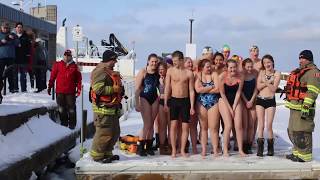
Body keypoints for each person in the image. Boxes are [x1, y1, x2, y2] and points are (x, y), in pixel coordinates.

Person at [89, 50, 124, 163]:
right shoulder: (99, 72)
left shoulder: (109, 71)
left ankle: (107, 152)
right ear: (108, 60)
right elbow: (98, 89)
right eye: (113, 60)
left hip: (112, 108)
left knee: (114, 132)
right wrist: (114, 89)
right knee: (104, 133)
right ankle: (97, 156)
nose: (115, 63)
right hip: (102, 110)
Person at [285, 50, 320, 162]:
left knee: (303, 131)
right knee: (293, 130)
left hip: (305, 108)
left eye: (303, 58)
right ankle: (297, 153)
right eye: (300, 58)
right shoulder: (301, 71)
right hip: (295, 107)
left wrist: (306, 107)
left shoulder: (313, 72)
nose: (300, 60)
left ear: (309, 59)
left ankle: (305, 156)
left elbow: (313, 92)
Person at [164, 50, 195, 158]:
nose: (174, 63)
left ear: (181, 60)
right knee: (173, 126)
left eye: (176, 61)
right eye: (173, 61)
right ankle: (173, 150)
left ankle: (182, 150)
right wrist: (165, 103)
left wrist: (192, 106)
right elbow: (167, 87)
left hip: (185, 101)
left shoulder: (189, 73)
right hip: (174, 100)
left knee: (185, 127)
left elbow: (191, 90)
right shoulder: (170, 71)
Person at [48, 49, 82, 129]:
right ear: (63, 56)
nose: (66, 57)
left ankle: (72, 125)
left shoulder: (75, 66)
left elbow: (79, 79)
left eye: (68, 55)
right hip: (60, 91)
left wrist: (79, 89)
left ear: (71, 56)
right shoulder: (58, 65)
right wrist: (50, 86)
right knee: (61, 109)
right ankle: (64, 124)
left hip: (70, 92)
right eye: (65, 55)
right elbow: (52, 77)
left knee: (71, 109)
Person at [218, 59, 246, 157]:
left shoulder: (241, 76)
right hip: (224, 100)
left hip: (235, 100)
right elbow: (222, 93)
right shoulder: (222, 76)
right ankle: (225, 150)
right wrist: (230, 109)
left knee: (238, 125)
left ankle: (241, 150)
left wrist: (234, 106)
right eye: (230, 67)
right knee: (228, 125)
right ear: (227, 68)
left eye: (234, 67)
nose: (233, 69)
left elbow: (238, 92)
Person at [256, 54, 280, 157]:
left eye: (268, 62)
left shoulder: (277, 73)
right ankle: (260, 149)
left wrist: (265, 82)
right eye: (264, 63)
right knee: (261, 125)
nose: (267, 64)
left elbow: (274, 89)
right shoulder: (261, 72)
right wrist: (268, 81)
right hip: (260, 100)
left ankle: (270, 148)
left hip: (270, 101)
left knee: (269, 125)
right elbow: (258, 87)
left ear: (272, 62)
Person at [135, 53, 159, 156]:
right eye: (152, 61)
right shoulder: (143, 71)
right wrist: (137, 103)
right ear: (148, 61)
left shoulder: (158, 72)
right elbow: (136, 89)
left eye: (155, 61)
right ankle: (140, 147)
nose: (154, 63)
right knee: (147, 124)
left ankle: (149, 147)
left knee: (152, 124)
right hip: (144, 97)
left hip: (155, 98)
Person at [195, 59, 220, 157]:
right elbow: (198, 90)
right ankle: (204, 149)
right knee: (203, 128)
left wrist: (204, 89)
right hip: (201, 103)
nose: (210, 68)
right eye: (207, 66)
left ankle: (215, 149)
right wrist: (211, 87)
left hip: (213, 103)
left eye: (210, 66)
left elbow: (218, 89)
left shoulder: (214, 74)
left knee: (213, 128)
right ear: (202, 67)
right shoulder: (198, 75)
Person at [241, 58, 258, 154]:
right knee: (245, 125)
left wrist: (251, 100)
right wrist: (246, 101)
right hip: (244, 101)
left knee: (252, 124)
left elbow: (256, 89)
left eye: (251, 66)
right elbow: (240, 90)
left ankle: (249, 144)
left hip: (253, 101)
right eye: (248, 66)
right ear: (244, 67)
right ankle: (243, 144)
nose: (250, 68)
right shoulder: (242, 75)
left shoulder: (255, 74)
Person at [0, 22, 19, 103]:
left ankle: (12, 88)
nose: (5, 29)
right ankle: (0, 89)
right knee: (0, 74)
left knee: (11, 74)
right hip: (1, 57)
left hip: (11, 57)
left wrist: (13, 39)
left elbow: (18, 44)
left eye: (7, 28)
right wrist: (2, 42)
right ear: (1, 28)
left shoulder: (13, 35)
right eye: (4, 27)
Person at [157, 61, 171, 155]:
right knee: (162, 126)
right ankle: (162, 146)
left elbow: (169, 92)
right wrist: (160, 83)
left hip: (170, 102)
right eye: (159, 69)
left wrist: (163, 83)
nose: (161, 71)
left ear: (166, 70)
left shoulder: (169, 78)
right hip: (160, 103)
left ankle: (170, 145)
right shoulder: (156, 79)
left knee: (170, 126)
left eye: (162, 69)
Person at [15, 22, 31, 92]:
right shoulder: (13, 36)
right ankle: (15, 89)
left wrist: (28, 56)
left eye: (20, 27)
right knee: (14, 74)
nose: (19, 28)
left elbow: (29, 47)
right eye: (18, 27)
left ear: (22, 28)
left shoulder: (26, 37)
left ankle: (23, 89)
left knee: (23, 75)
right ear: (16, 28)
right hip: (14, 58)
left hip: (24, 58)